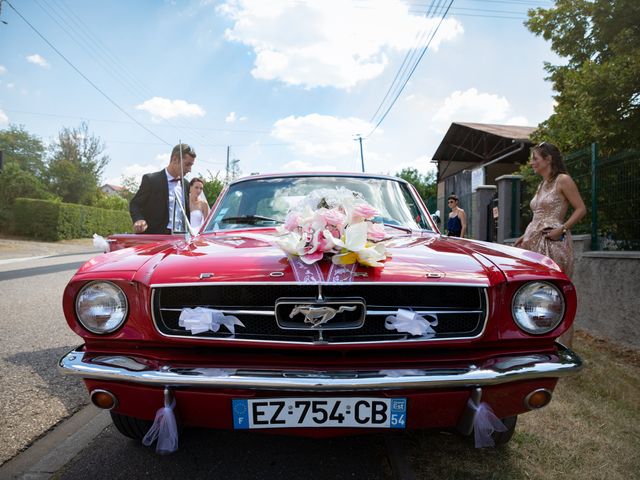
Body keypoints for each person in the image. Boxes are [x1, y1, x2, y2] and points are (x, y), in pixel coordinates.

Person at [514, 142, 586, 345]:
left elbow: (581, 209)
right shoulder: (541, 184)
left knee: (554, 294)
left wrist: (561, 229)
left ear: (548, 159)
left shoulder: (563, 180)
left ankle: (563, 348)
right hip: (532, 241)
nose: (532, 162)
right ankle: (537, 341)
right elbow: (538, 215)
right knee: (533, 294)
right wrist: (524, 235)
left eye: (535, 158)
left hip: (552, 242)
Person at [129, 144, 196, 234]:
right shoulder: (151, 180)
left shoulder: (186, 184)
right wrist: (139, 219)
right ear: (175, 159)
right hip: (156, 238)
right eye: (187, 164)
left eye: (191, 165)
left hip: (181, 238)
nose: (190, 169)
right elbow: (135, 204)